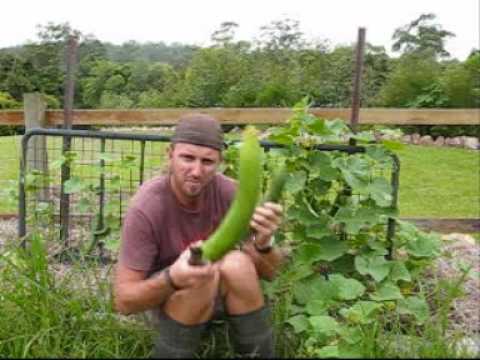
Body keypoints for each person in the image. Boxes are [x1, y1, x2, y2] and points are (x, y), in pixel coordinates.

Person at [113, 114, 285, 358]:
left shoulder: (231, 193)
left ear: (220, 162)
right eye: (187, 158)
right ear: (169, 154)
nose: (196, 171)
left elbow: (271, 272)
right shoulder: (147, 206)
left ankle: (260, 354)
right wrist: (173, 278)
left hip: (216, 293)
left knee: (237, 263)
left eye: (207, 161)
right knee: (200, 279)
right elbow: (124, 301)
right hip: (165, 302)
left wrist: (265, 242)